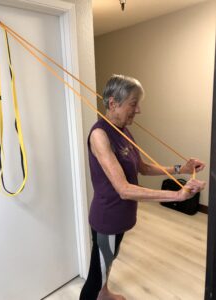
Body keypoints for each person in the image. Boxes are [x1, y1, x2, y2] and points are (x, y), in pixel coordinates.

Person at [79, 74, 205, 300]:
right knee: (96, 274)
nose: (138, 110)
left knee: (111, 258)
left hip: (122, 215)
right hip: (107, 218)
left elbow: (143, 168)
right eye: (133, 104)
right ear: (112, 103)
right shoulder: (100, 135)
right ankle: (97, 292)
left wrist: (181, 169)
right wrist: (177, 194)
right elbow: (124, 189)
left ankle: (104, 294)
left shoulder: (124, 132)